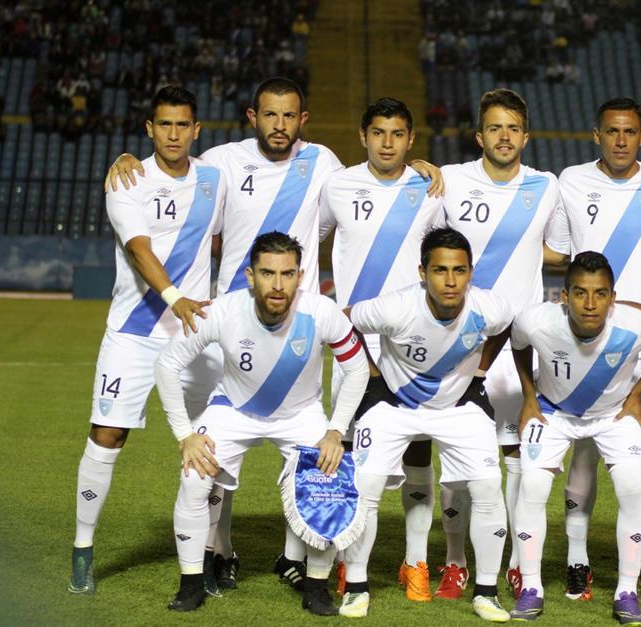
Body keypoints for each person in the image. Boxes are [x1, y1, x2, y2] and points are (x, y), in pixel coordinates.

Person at [105, 78, 442, 590]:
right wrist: (132, 158)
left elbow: (361, 200)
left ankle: (294, 555)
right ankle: (220, 550)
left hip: (294, 321)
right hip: (234, 320)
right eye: (269, 115)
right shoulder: (220, 162)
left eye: (289, 116)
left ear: (303, 120)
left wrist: (420, 168)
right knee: (221, 447)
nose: (278, 125)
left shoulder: (326, 165)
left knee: (305, 442)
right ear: (251, 116)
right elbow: (174, 171)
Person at [154, 231, 369, 614]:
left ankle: (316, 587)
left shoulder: (322, 312)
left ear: (300, 277)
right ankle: (190, 583)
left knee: (328, 480)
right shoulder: (222, 311)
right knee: (193, 476)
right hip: (233, 410)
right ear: (251, 276)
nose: (277, 284)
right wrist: (185, 434)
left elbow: (356, 369)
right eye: (267, 273)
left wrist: (336, 431)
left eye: (287, 274)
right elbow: (167, 364)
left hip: (300, 413)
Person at [69, 86, 225, 595]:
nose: (174, 134)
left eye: (183, 125)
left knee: (212, 445)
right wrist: (175, 295)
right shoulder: (127, 179)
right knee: (108, 435)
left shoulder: (215, 179)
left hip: (197, 336)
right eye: (165, 125)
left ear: (196, 130)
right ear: (149, 129)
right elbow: (138, 248)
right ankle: (83, 548)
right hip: (134, 333)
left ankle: (213, 553)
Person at [543, 97, 641, 602]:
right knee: (582, 449)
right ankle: (577, 559)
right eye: (611, 132)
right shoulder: (571, 181)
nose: (621, 140)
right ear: (595, 135)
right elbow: (556, 249)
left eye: (629, 132)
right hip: (586, 336)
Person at [339, 227, 515, 621]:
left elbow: (507, 325)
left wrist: (481, 370)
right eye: (440, 270)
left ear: (471, 273)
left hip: (458, 406)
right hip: (394, 404)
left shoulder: (490, 307)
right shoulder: (394, 308)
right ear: (423, 272)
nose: (450, 281)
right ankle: (355, 586)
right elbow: (342, 324)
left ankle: (486, 591)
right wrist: (368, 375)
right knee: (365, 486)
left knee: (488, 488)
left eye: (459, 270)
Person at [509, 252, 641, 623]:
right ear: (564, 295)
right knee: (533, 488)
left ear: (613, 297)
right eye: (581, 293)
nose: (590, 304)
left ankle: (626, 592)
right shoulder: (536, 321)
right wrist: (527, 396)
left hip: (613, 414)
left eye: (600, 294)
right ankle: (531, 588)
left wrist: (636, 395)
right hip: (553, 413)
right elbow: (518, 344)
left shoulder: (637, 326)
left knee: (633, 486)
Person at [318, 97, 443, 601]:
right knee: (345, 455)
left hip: (413, 346)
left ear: (411, 140)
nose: (387, 142)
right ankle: (352, 562)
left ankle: (415, 562)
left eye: (397, 134)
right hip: (352, 347)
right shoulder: (337, 185)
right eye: (378, 133)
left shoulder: (432, 190)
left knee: (417, 448)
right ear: (363, 136)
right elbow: (311, 238)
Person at [439, 88, 561, 599]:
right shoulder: (448, 181)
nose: (504, 136)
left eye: (513, 127)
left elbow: (558, 249)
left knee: (516, 454)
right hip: (458, 341)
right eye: (495, 127)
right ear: (479, 135)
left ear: (526, 136)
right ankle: (453, 560)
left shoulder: (547, 186)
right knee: (455, 455)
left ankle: (514, 559)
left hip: (517, 350)